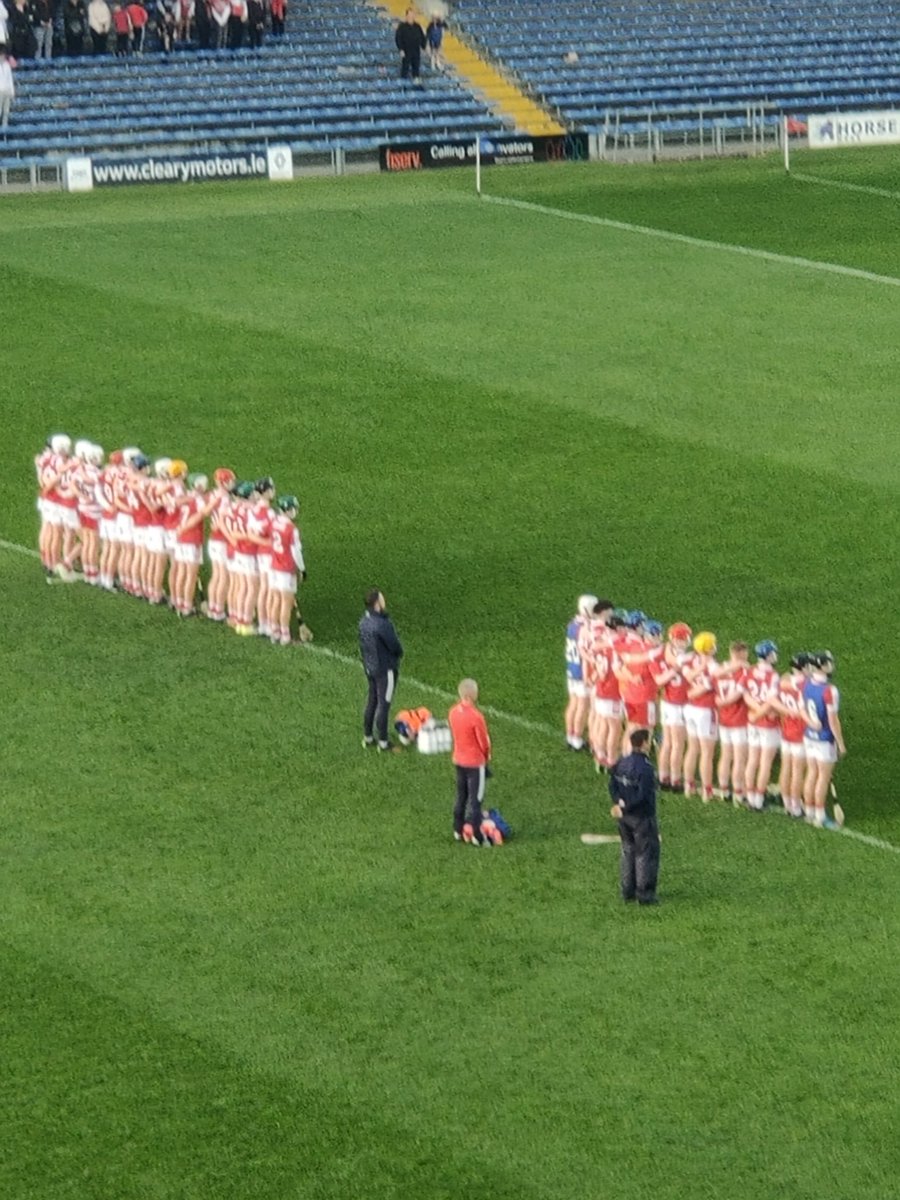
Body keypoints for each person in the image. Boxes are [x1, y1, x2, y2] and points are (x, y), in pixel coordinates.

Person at [609, 728, 660, 905]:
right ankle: (644, 893)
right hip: (641, 817)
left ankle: (627, 889)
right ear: (644, 743)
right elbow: (643, 796)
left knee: (627, 850)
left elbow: (612, 785)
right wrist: (627, 807)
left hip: (624, 818)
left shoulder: (622, 762)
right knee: (644, 853)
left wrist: (619, 803)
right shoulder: (645, 768)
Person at [802, 651, 846, 828]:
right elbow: (833, 721)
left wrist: (811, 723)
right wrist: (841, 744)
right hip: (824, 739)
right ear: (824, 666)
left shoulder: (805, 685)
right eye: (830, 663)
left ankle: (809, 812)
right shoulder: (830, 691)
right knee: (823, 777)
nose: (832, 665)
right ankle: (820, 816)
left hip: (809, 736)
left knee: (812, 773)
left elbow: (802, 709)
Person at [359, 588, 404, 752]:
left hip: (370, 667)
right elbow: (394, 645)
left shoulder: (364, 620)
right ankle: (383, 742)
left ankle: (368, 737)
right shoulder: (382, 624)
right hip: (385, 669)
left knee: (372, 701)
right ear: (377, 603)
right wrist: (399, 654)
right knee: (384, 704)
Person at [448, 678, 492, 844]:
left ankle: (457, 830)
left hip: (459, 759)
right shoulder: (476, 717)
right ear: (473, 695)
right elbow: (483, 742)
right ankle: (477, 836)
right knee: (476, 800)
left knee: (461, 796)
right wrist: (486, 757)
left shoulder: (452, 711)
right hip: (474, 763)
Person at [564, 593, 599, 750]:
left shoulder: (572, 623)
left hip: (571, 668)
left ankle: (570, 735)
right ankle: (577, 738)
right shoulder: (586, 628)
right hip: (581, 670)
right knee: (582, 706)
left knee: (573, 703)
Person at [395, 7, 425, 83]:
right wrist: (401, 49)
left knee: (416, 67)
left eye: (413, 14)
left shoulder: (417, 26)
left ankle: (416, 81)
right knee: (405, 67)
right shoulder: (402, 27)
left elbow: (422, 37)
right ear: (406, 16)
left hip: (416, 50)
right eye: (410, 14)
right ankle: (403, 84)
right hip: (406, 50)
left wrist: (423, 46)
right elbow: (398, 38)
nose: (411, 16)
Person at [0, 44, 14, 129]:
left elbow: (10, 79)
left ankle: (5, 128)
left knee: (6, 112)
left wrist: (12, 91)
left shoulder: (7, 65)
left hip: (7, 91)